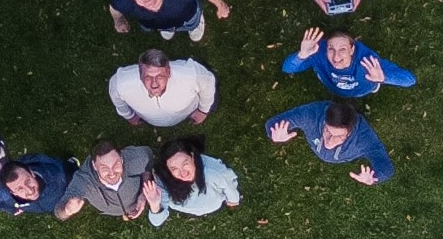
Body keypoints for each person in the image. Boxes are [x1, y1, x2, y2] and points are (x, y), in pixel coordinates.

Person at [265, 100, 394, 185]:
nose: (329, 142)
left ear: (351, 131)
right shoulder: (311, 115)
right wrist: (275, 135)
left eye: (339, 137)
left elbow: (386, 167)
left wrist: (374, 178)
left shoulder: (363, 138)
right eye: (327, 131)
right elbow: (272, 123)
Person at [282, 28, 416, 98]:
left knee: (368, 89)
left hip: (362, 90)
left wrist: (383, 78)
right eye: (331, 49)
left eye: (342, 49)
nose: (336, 56)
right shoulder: (317, 53)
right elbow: (288, 68)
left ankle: (373, 87)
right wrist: (301, 55)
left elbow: (409, 80)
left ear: (352, 50)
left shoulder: (368, 61)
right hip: (331, 86)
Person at [144, 137, 241, 226]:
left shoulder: (213, 173)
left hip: (213, 201)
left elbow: (229, 186)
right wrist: (154, 205)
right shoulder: (164, 179)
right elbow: (156, 222)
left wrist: (233, 200)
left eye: (184, 164)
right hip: (184, 205)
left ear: (192, 156)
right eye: (174, 168)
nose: (183, 173)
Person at [108, 49, 218, 127]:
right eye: (147, 77)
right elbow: (117, 100)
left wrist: (203, 110)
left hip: (189, 110)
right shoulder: (121, 83)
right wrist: (129, 116)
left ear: (169, 72)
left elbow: (208, 83)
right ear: (139, 74)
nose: (154, 84)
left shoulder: (192, 75)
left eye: (159, 76)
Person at [56, 142, 154, 221]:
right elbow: (58, 211)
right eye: (104, 168)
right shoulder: (84, 181)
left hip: (135, 200)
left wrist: (143, 194)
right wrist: (67, 210)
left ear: (121, 158)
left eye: (116, 164)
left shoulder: (138, 158)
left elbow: (148, 161)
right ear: (94, 166)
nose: (112, 173)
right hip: (109, 209)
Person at [0, 153, 77, 217]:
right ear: (12, 192)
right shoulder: (2, 192)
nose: (30, 191)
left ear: (32, 173)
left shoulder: (59, 176)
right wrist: (11, 209)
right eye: (19, 189)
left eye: (27, 181)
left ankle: (71, 163)